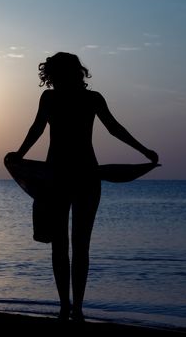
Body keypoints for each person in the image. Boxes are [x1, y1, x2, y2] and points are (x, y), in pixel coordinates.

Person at [10, 52, 158, 322]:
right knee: (79, 245)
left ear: (53, 73)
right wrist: (144, 150)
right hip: (81, 176)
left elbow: (38, 129)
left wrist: (19, 154)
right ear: (78, 71)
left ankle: (67, 306)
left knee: (63, 246)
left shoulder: (57, 98)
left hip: (61, 176)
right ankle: (74, 306)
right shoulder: (87, 98)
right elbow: (113, 129)